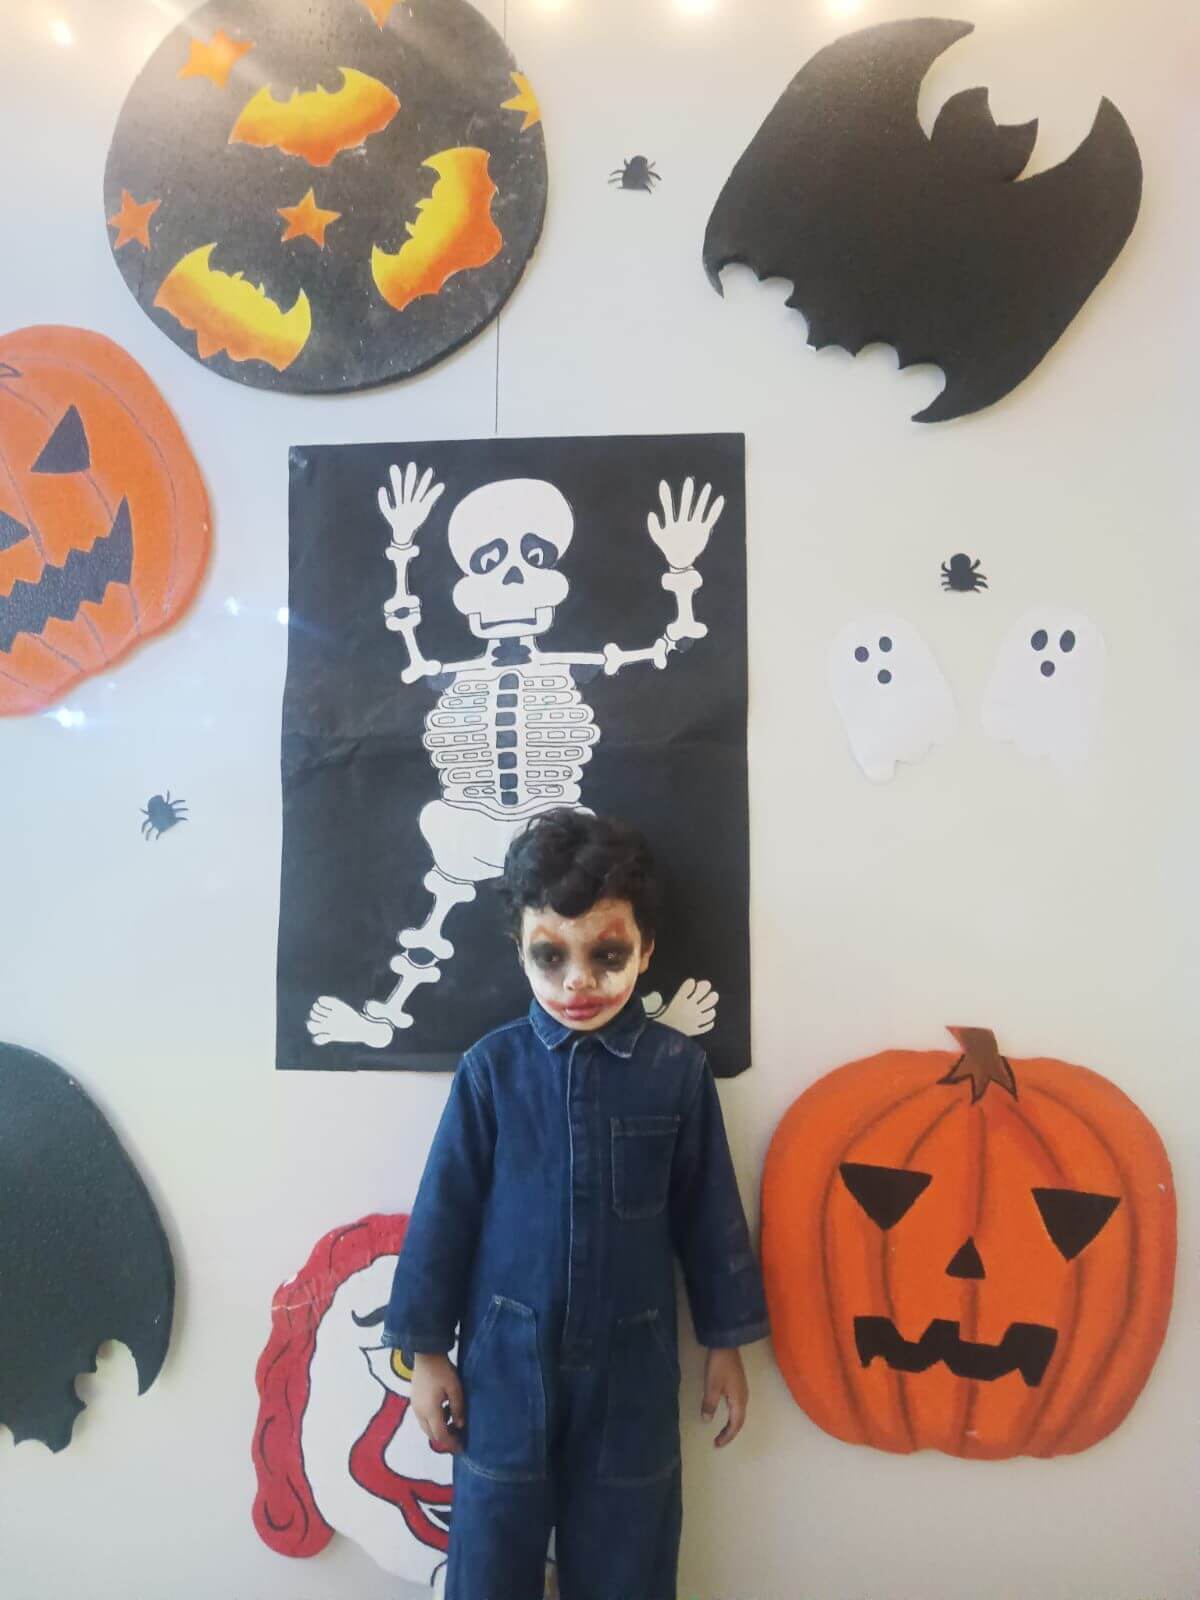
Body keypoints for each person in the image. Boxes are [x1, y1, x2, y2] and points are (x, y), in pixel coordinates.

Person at [381, 808, 770, 1600]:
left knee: (630, 1556)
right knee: (491, 1557)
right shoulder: (492, 1071)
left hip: (634, 1368)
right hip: (503, 1369)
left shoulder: (676, 1071)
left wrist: (726, 1343)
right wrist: (425, 1354)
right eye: (550, 956)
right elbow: (444, 1216)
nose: (577, 982)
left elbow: (709, 1217)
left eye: (607, 954)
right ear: (519, 948)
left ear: (646, 949)